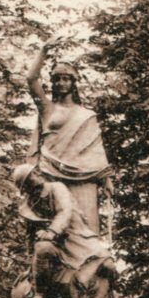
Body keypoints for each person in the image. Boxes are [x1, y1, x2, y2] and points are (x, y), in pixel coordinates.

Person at [26, 39, 113, 235]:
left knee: (86, 225)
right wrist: (43, 51)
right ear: (52, 83)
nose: (61, 83)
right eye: (57, 79)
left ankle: (89, 264)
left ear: (74, 83)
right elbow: (31, 80)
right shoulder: (47, 109)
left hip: (84, 177)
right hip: (51, 174)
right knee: (53, 226)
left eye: (66, 79)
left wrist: (106, 179)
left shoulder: (86, 115)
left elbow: (95, 149)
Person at [11, 163, 118, 298]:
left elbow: (65, 212)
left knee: (108, 266)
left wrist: (51, 232)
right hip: (56, 244)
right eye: (31, 176)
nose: (37, 175)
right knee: (42, 249)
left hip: (78, 238)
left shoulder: (57, 187)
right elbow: (30, 233)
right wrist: (32, 255)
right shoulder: (28, 205)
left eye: (36, 172)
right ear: (26, 186)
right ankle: (39, 294)